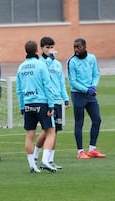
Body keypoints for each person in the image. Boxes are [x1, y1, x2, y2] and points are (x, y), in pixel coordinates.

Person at [16, 40, 57, 173]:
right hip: (42, 102)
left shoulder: (21, 67)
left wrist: (22, 106)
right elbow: (47, 85)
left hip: (28, 103)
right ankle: (45, 160)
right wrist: (51, 105)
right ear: (36, 51)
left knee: (29, 135)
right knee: (51, 131)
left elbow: (19, 90)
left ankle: (32, 165)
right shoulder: (40, 65)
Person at [33, 36, 70, 170]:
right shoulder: (40, 63)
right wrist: (49, 59)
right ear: (41, 48)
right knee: (48, 130)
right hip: (46, 101)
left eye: (51, 47)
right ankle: (37, 154)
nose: (50, 50)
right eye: (47, 48)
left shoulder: (57, 64)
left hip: (57, 100)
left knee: (56, 131)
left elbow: (61, 83)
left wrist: (65, 98)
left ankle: (50, 159)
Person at [67, 38, 105, 159]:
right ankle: (80, 151)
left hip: (90, 94)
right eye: (74, 47)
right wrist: (86, 89)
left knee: (97, 119)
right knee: (79, 122)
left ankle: (92, 149)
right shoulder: (71, 61)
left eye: (78, 47)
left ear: (84, 46)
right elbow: (72, 82)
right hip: (78, 95)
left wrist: (93, 86)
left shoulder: (92, 58)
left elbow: (96, 74)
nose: (76, 49)